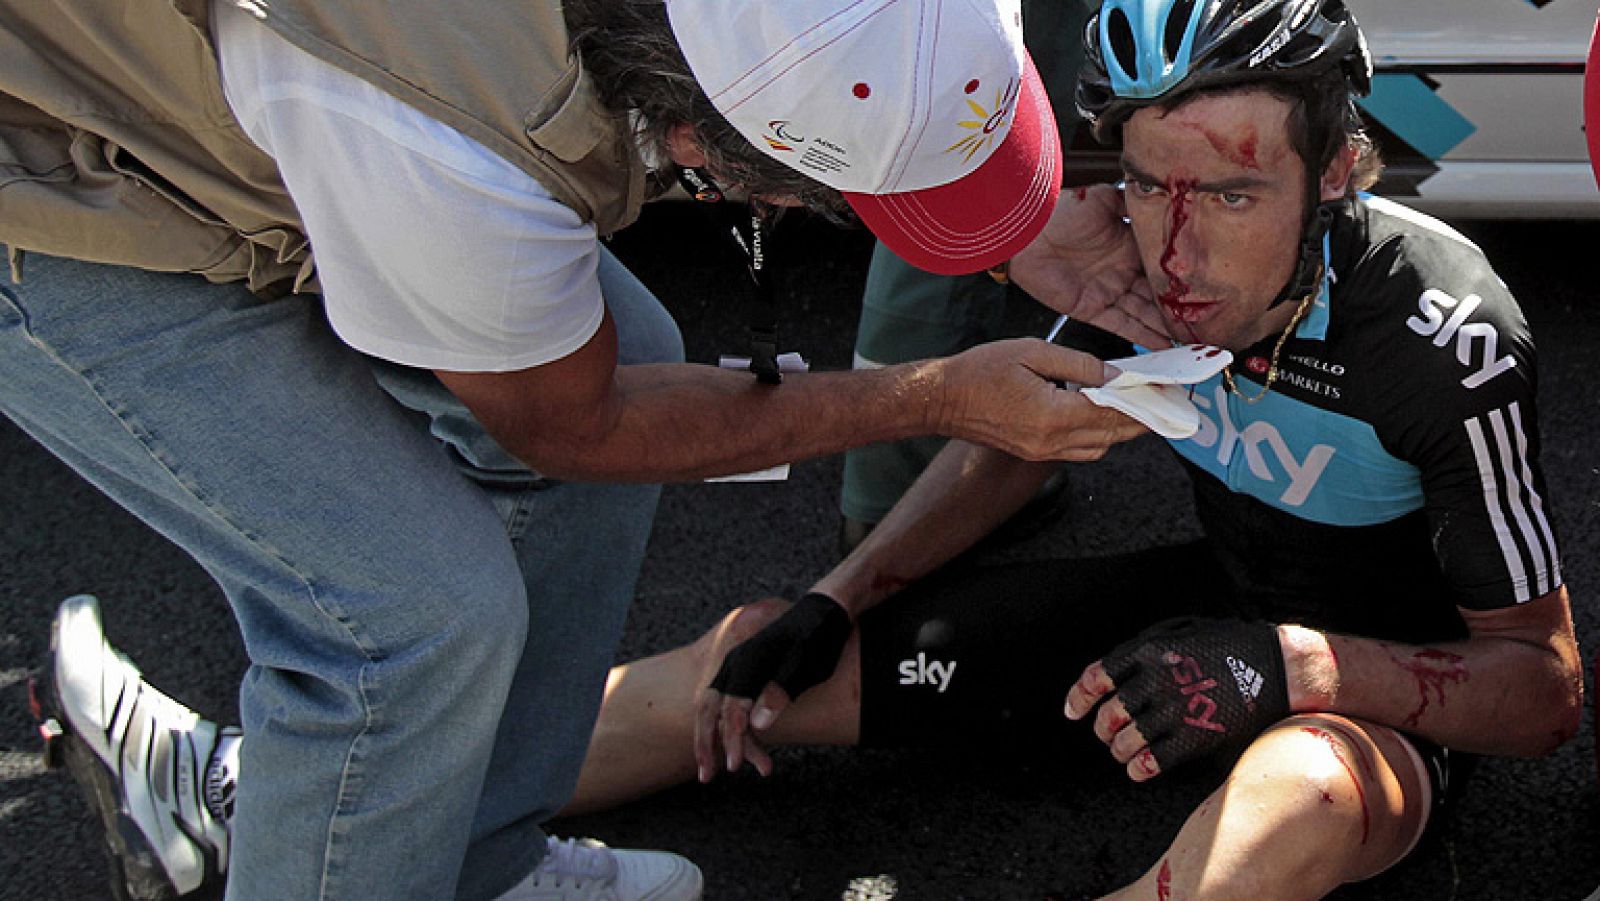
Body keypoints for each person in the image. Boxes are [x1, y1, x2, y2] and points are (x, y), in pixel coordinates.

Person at [6, 0, 1152, 899]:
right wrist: (938, 395)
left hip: (252, 95)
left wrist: (1011, 232)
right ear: (712, 150)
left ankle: (468, 862)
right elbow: (576, 421)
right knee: (407, 622)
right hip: (65, 187)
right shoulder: (451, 150)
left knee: (636, 343)